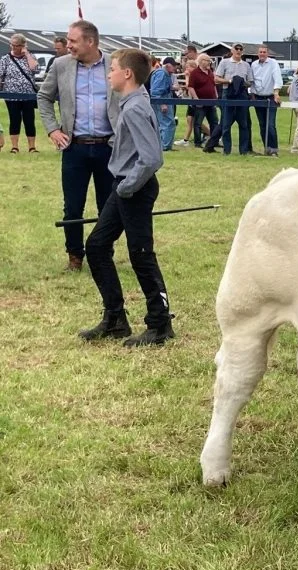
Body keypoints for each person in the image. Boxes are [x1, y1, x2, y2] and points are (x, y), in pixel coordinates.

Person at [78, 48, 173, 347]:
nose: (108, 73)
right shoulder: (133, 101)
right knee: (96, 246)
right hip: (126, 185)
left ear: (127, 74)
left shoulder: (133, 108)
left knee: (141, 255)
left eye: (113, 68)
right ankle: (115, 319)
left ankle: (159, 325)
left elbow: (152, 158)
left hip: (134, 187)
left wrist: (127, 186)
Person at [37, 20, 121, 272]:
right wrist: (52, 128)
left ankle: (103, 252)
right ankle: (75, 255)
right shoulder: (61, 65)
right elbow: (44, 96)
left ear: (90, 42)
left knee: (108, 205)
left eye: (73, 41)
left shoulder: (115, 64)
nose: (68, 45)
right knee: (73, 206)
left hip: (109, 147)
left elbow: (133, 96)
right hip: (75, 148)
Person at [205, 43, 252, 155]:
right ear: (232, 50)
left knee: (244, 124)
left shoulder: (246, 65)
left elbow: (250, 82)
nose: (238, 51)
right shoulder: (224, 62)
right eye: (236, 48)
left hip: (242, 95)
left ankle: (244, 150)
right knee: (225, 124)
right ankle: (227, 150)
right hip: (228, 93)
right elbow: (216, 78)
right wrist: (230, 81)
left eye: (241, 49)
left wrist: (241, 83)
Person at [0, 33, 40, 154]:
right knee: (14, 119)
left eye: (17, 45)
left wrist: (26, 54)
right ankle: (15, 146)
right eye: (12, 45)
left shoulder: (30, 57)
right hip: (11, 95)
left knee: (29, 120)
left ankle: (32, 147)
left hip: (28, 95)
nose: (13, 47)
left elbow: (35, 69)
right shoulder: (5, 59)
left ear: (23, 45)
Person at [249, 45, 283, 157]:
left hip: (270, 97)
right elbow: (252, 81)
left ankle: (274, 149)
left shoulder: (273, 63)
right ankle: (267, 148)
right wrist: (252, 94)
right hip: (258, 97)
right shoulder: (253, 65)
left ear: (267, 53)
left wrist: (276, 93)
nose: (262, 54)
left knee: (270, 124)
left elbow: (277, 77)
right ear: (257, 54)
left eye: (264, 52)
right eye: (260, 52)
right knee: (262, 125)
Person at [186, 54, 218, 146]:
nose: (209, 62)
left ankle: (214, 141)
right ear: (201, 61)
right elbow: (191, 87)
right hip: (201, 102)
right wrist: (197, 100)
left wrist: (216, 97)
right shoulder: (195, 73)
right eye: (207, 60)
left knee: (214, 122)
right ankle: (197, 142)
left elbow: (213, 85)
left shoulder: (210, 72)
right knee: (198, 123)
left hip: (211, 102)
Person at [148, 56, 178, 150]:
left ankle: (164, 145)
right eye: (174, 66)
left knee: (165, 123)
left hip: (164, 99)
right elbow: (155, 91)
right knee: (168, 123)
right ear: (168, 65)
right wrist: (162, 104)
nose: (175, 68)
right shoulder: (161, 74)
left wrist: (172, 88)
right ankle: (165, 146)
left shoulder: (165, 74)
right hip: (162, 100)